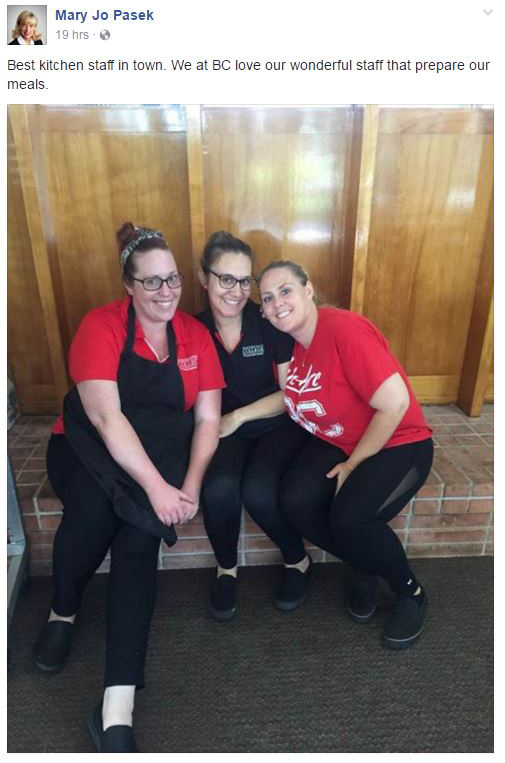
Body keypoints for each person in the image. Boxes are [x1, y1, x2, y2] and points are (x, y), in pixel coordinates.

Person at [33, 223, 224, 752]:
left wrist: (188, 484)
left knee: (140, 537)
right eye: (151, 282)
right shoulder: (100, 326)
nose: (166, 292)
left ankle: (116, 708)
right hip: (88, 443)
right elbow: (106, 418)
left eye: (173, 279)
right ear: (128, 286)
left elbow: (208, 418)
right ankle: (63, 608)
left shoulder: (194, 335)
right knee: (92, 513)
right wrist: (157, 489)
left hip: (159, 447)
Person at [258, 260, 434, 649]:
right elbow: (292, 398)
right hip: (348, 442)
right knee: (296, 500)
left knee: (349, 518)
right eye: (267, 298)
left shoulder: (343, 329)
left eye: (285, 291)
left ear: (308, 290)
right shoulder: (297, 346)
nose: (276, 303)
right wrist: (237, 417)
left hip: (400, 441)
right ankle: (365, 563)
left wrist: (353, 465)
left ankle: (410, 592)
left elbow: (395, 403)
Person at [196, 232, 312, 621]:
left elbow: (289, 392)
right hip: (223, 428)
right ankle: (226, 569)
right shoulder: (192, 329)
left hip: (275, 423)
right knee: (218, 489)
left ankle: (297, 560)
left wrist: (239, 416)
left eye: (245, 280)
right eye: (226, 279)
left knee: (259, 491)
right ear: (204, 278)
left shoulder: (267, 322)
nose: (237, 291)